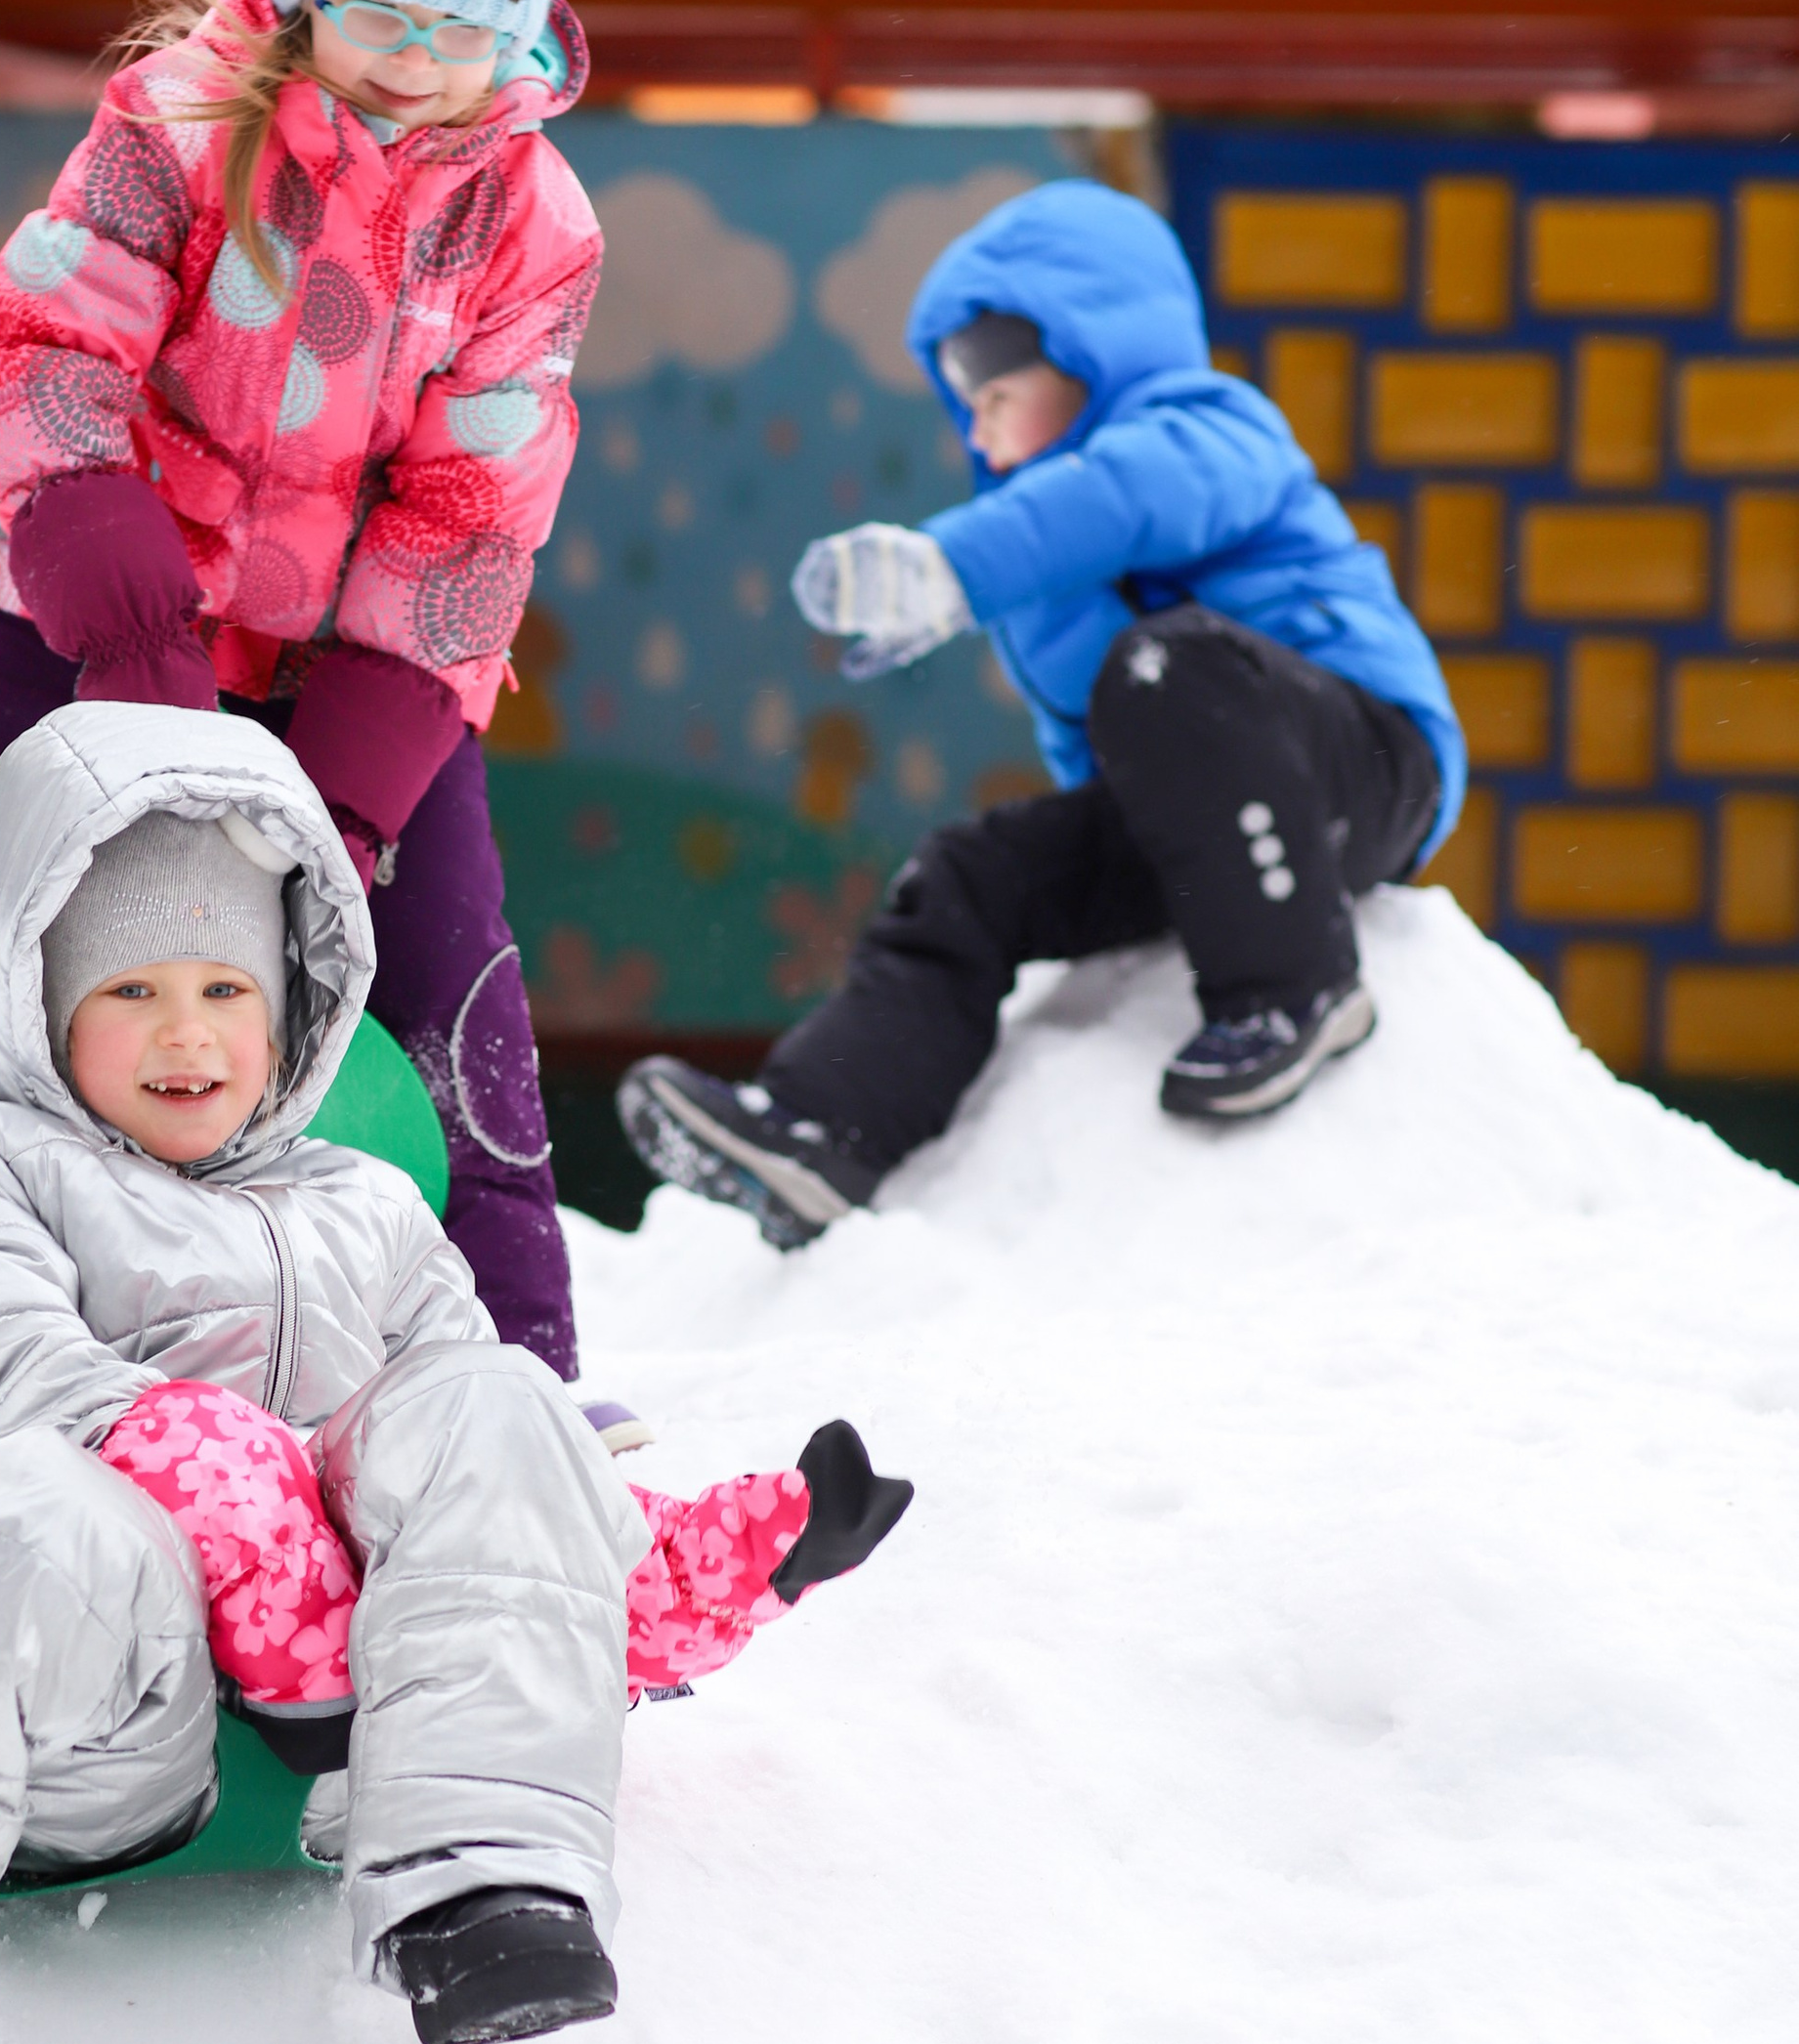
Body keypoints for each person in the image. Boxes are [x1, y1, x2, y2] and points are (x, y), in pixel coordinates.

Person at [0, 703, 910, 2044]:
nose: (188, 1033)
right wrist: (164, 1445)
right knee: (17, 1532)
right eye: (133, 989)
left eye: (227, 985)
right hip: (113, 1719)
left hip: (371, 1732)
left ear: (290, 999)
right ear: (35, 1000)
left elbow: (483, 1482)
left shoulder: (368, 1203)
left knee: (495, 1395)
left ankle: (485, 1886)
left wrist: (691, 1561)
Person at [0, 0, 613, 1421]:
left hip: (356, 657)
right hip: (93, 594)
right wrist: (122, 621)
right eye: (380, 12)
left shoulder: (533, 220)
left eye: (460, 26)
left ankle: (512, 1365)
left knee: (443, 965)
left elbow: (475, 509)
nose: (415, 56)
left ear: (530, 30)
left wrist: (348, 799)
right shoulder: (184, 117)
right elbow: (51, 347)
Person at [619, 180, 1467, 1250]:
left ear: (1089, 350)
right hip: (1201, 815)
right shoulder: (1041, 566)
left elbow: (1131, 497)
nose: (975, 425)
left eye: (992, 388)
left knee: (1165, 665)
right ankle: (825, 1124)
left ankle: (1291, 990)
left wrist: (957, 566)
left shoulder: (1205, 425)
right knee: (971, 870)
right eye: (961, 404)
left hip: (1361, 764)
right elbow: (1095, 746)